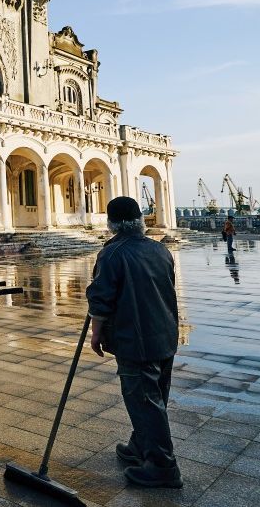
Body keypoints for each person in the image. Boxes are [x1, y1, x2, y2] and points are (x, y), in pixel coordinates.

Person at [86, 197, 182, 488]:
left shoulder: (112, 254)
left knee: (143, 400)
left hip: (135, 338)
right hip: (165, 333)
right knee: (156, 395)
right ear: (140, 220)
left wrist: (96, 331)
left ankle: (163, 466)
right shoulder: (160, 249)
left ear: (111, 223)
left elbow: (101, 300)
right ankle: (140, 446)